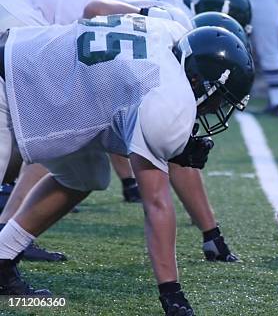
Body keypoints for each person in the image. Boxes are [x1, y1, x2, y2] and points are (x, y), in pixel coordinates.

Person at [0, 19, 254, 316]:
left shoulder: (170, 31)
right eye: (218, 100)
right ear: (197, 81)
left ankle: (3, 255)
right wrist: (171, 293)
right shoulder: (170, 99)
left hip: (32, 64)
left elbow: (121, 104)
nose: (214, 110)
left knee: (84, 176)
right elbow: (156, 204)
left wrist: (170, 148)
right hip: (14, 76)